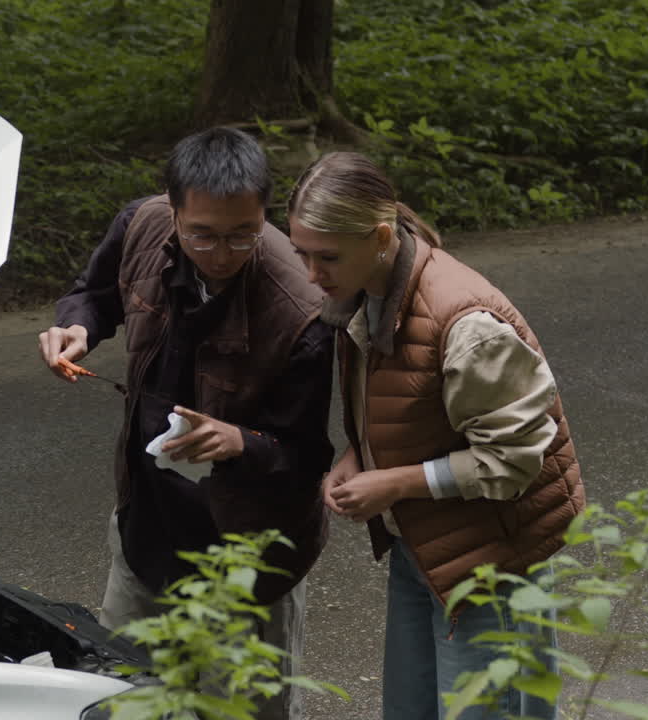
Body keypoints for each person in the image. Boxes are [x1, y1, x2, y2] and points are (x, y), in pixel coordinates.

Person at [38, 128, 335, 719]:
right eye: (201, 234)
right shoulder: (141, 227)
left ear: (264, 214)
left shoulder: (303, 311)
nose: (221, 254)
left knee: (239, 710)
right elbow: (94, 294)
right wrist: (79, 327)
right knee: (127, 696)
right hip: (147, 526)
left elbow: (306, 460)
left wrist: (239, 442)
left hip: (248, 554)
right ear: (172, 211)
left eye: (241, 235)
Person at [286, 151, 584, 720]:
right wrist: (360, 452)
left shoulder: (467, 323)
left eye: (326, 257)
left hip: (491, 554)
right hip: (423, 542)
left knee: (486, 711)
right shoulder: (366, 289)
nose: (310, 274)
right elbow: (417, 406)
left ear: (379, 236)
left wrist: (390, 481)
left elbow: (513, 461)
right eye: (300, 252)